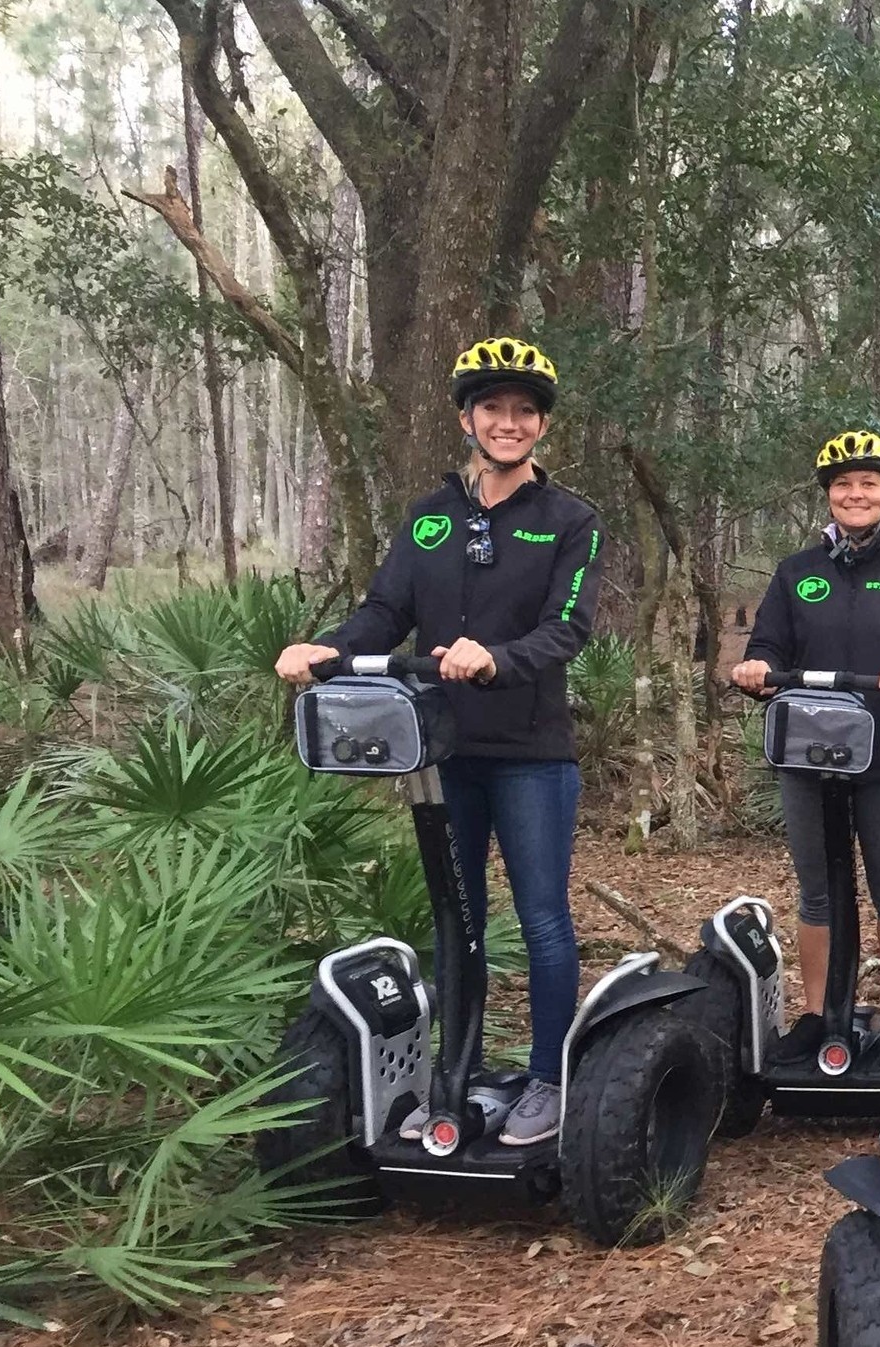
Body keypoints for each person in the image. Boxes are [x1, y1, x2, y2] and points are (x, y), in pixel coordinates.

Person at [275, 337, 602, 1147]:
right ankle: (456, 1069)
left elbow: (569, 627)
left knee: (543, 918)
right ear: (467, 417)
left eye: (524, 411)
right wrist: (326, 647)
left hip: (530, 752)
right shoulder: (429, 517)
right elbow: (385, 610)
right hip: (440, 749)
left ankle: (549, 1077)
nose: (508, 422)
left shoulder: (570, 520)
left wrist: (497, 658)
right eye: (493, 407)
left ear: (542, 427)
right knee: (460, 917)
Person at [729, 430, 880, 1070]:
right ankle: (818, 1013)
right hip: (808, 753)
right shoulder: (798, 572)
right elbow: (768, 647)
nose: (855, 494)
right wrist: (756, 669)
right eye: (843, 484)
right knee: (816, 891)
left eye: (869, 483)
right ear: (828, 496)